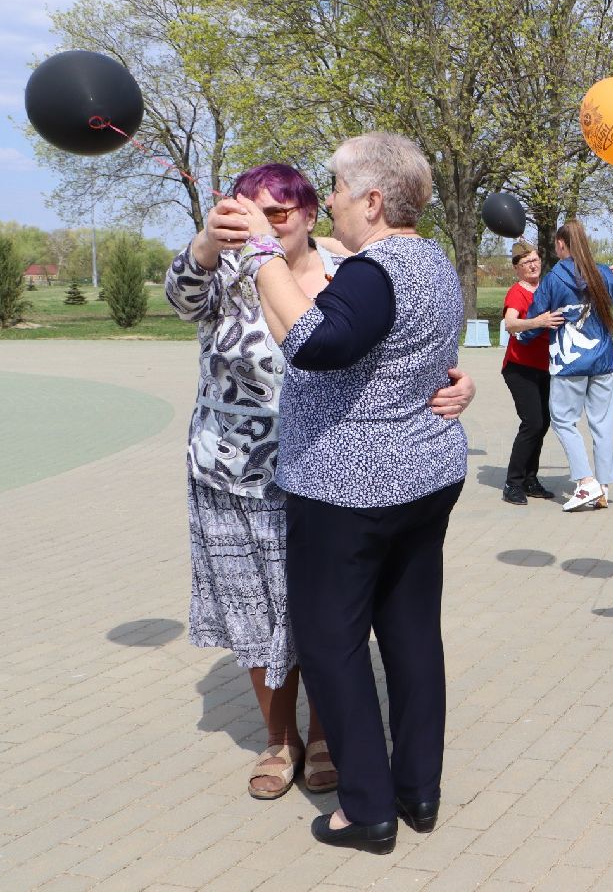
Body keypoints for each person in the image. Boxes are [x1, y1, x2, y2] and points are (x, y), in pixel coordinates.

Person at [164, 162, 473, 805]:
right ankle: (279, 740)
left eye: (281, 213)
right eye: (251, 211)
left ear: (308, 213)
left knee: (329, 625)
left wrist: (452, 382)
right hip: (234, 470)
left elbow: (393, 344)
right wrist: (205, 244)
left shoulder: (348, 272)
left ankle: (330, 738)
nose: (266, 225)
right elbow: (179, 297)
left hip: (325, 472)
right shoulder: (226, 270)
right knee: (257, 614)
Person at [237, 132, 470, 853]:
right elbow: (310, 336)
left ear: (372, 200)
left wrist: (261, 252)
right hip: (424, 479)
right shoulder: (431, 260)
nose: (329, 198)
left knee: (332, 643)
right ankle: (418, 792)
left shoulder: (374, 271)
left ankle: (366, 809)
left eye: (336, 187)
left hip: (352, 492)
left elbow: (315, 344)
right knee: (408, 634)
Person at [521, 219, 613, 512]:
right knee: (602, 423)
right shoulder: (601, 272)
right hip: (603, 360)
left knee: (563, 420)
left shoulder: (554, 278)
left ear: (560, 244)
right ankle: (604, 485)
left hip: (569, 363)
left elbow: (535, 318)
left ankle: (586, 483)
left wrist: (521, 331)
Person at [499, 245, 564, 505]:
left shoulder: (547, 288)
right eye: (526, 262)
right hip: (519, 368)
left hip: (545, 367)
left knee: (543, 422)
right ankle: (512, 483)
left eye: (535, 259)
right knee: (533, 423)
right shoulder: (517, 292)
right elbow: (510, 323)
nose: (533, 265)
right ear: (517, 268)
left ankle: (530, 478)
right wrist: (538, 321)